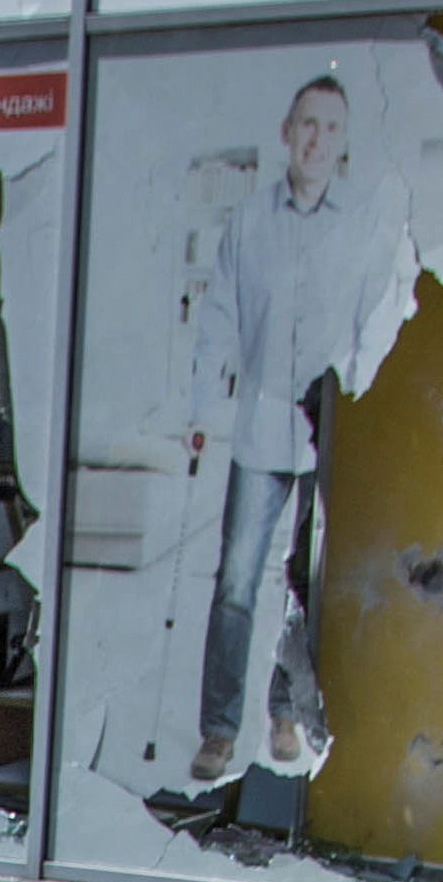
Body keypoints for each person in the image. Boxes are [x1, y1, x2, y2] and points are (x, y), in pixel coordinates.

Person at [171, 71, 407, 801]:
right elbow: (221, 317)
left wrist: (367, 401)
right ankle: (218, 724)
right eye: (307, 124)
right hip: (263, 423)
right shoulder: (251, 221)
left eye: (331, 129)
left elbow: (378, 315)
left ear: (343, 145)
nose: (317, 140)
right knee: (239, 578)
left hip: (330, 430)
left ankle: (284, 710)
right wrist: (203, 410)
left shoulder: (359, 219)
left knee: (305, 578)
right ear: (286, 132)